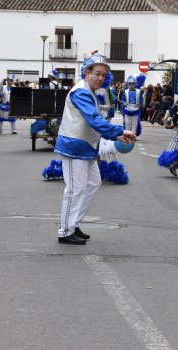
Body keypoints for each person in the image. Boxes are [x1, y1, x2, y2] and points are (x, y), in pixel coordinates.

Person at [54, 52, 135, 245]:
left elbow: (94, 120)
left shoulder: (88, 91)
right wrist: (117, 132)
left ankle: (72, 224)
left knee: (92, 184)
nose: (100, 78)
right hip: (75, 146)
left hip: (85, 147)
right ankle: (65, 230)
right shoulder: (81, 91)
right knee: (75, 189)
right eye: (97, 73)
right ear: (86, 72)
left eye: (103, 75)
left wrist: (114, 133)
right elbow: (93, 119)